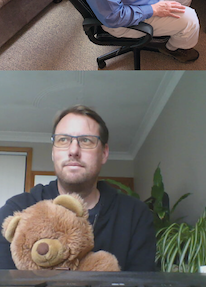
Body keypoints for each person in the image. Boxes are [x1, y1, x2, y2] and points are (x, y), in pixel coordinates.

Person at [0, 105, 155, 271]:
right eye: (63, 140)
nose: (73, 150)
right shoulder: (17, 210)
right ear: (53, 152)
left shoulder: (135, 215)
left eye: (86, 140)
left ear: (104, 153)